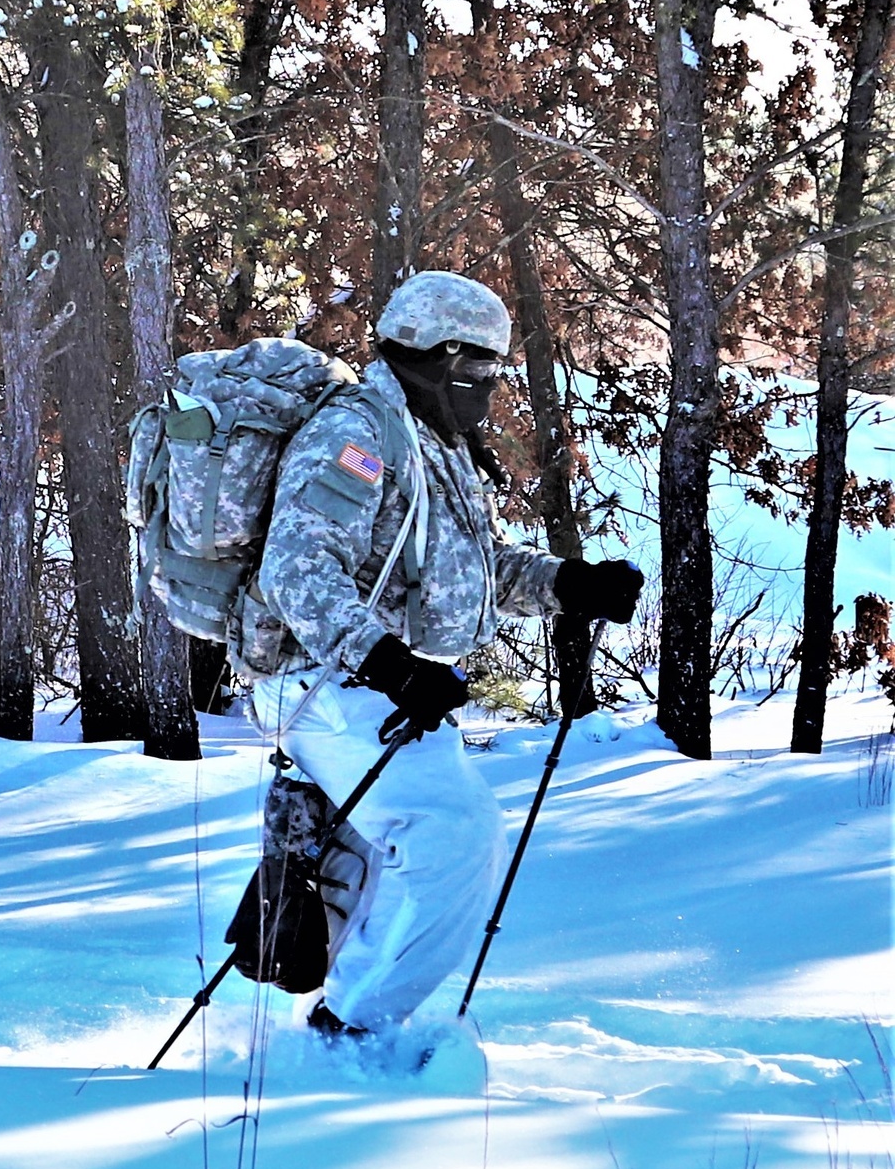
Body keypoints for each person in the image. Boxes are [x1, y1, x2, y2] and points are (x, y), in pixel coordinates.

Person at [242, 271, 642, 1036]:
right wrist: (387, 662)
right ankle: (354, 1032)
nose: (489, 386)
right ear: (439, 353)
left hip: (387, 687)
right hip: (327, 681)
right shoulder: (357, 435)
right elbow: (297, 567)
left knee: (399, 858)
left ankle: (345, 1019)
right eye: (481, 369)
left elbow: (477, 566)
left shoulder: (436, 442)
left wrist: (569, 583)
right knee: (452, 833)